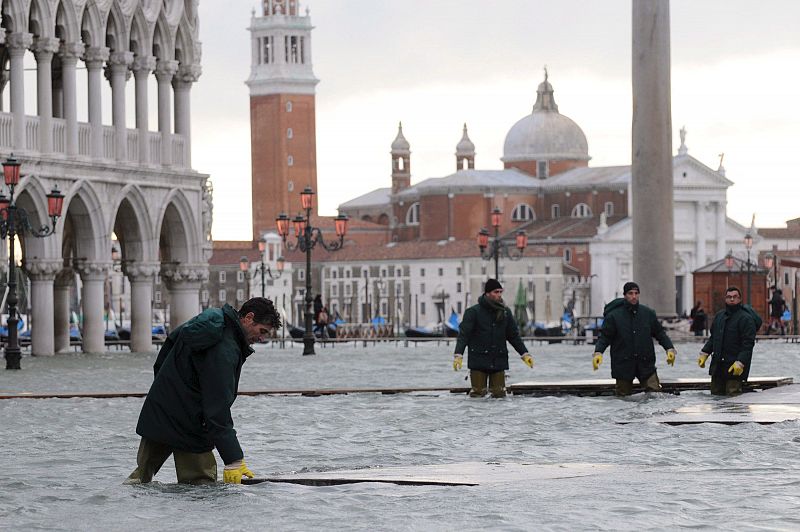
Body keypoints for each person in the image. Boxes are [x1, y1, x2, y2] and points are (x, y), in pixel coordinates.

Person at [125, 297, 281, 485]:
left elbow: (163, 356)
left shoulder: (206, 321)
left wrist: (167, 392)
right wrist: (234, 460)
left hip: (162, 410)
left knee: (139, 480)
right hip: (191, 423)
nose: (262, 338)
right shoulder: (225, 347)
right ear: (248, 318)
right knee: (202, 488)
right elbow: (217, 406)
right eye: (262, 331)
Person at [591, 281, 676, 396]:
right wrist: (598, 352)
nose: (634, 296)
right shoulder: (614, 316)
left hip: (646, 363)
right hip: (623, 364)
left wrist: (669, 348)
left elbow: (660, 333)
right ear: (625, 295)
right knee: (623, 397)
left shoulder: (648, 313)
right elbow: (605, 337)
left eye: (636, 293)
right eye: (630, 293)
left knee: (655, 394)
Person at [453, 278, 533, 398]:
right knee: (478, 394)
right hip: (478, 360)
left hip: (498, 360)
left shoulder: (505, 312)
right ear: (487, 293)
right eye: (496, 292)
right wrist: (458, 355)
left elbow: (513, 336)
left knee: (499, 394)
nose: (499, 295)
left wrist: (525, 354)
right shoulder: (473, 312)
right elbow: (464, 335)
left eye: (501, 292)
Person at [697, 286, 759, 396]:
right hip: (718, 367)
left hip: (734, 368)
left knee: (734, 398)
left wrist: (740, 362)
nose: (732, 299)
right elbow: (713, 338)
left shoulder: (745, 318)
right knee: (715, 397)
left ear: (740, 299)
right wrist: (705, 353)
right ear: (725, 299)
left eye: (735, 297)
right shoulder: (720, 316)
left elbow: (748, 344)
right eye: (729, 297)